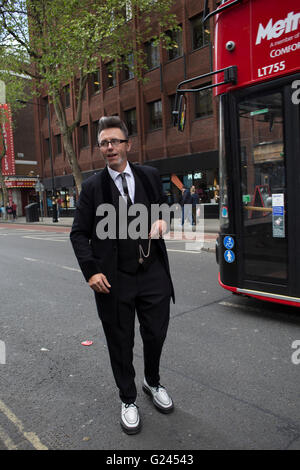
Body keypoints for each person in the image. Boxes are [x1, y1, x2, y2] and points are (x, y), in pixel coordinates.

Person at [70, 116, 175, 435]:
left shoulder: (149, 176)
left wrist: (163, 221)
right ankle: (128, 399)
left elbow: (163, 206)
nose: (110, 147)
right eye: (104, 143)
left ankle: (152, 382)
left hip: (153, 272)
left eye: (115, 141)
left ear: (128, 144)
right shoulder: (91, 188)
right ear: (100, 149)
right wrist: (91, 272)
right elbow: (78, 234)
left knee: (155, 333)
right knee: (120, 341)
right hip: (114, 279)